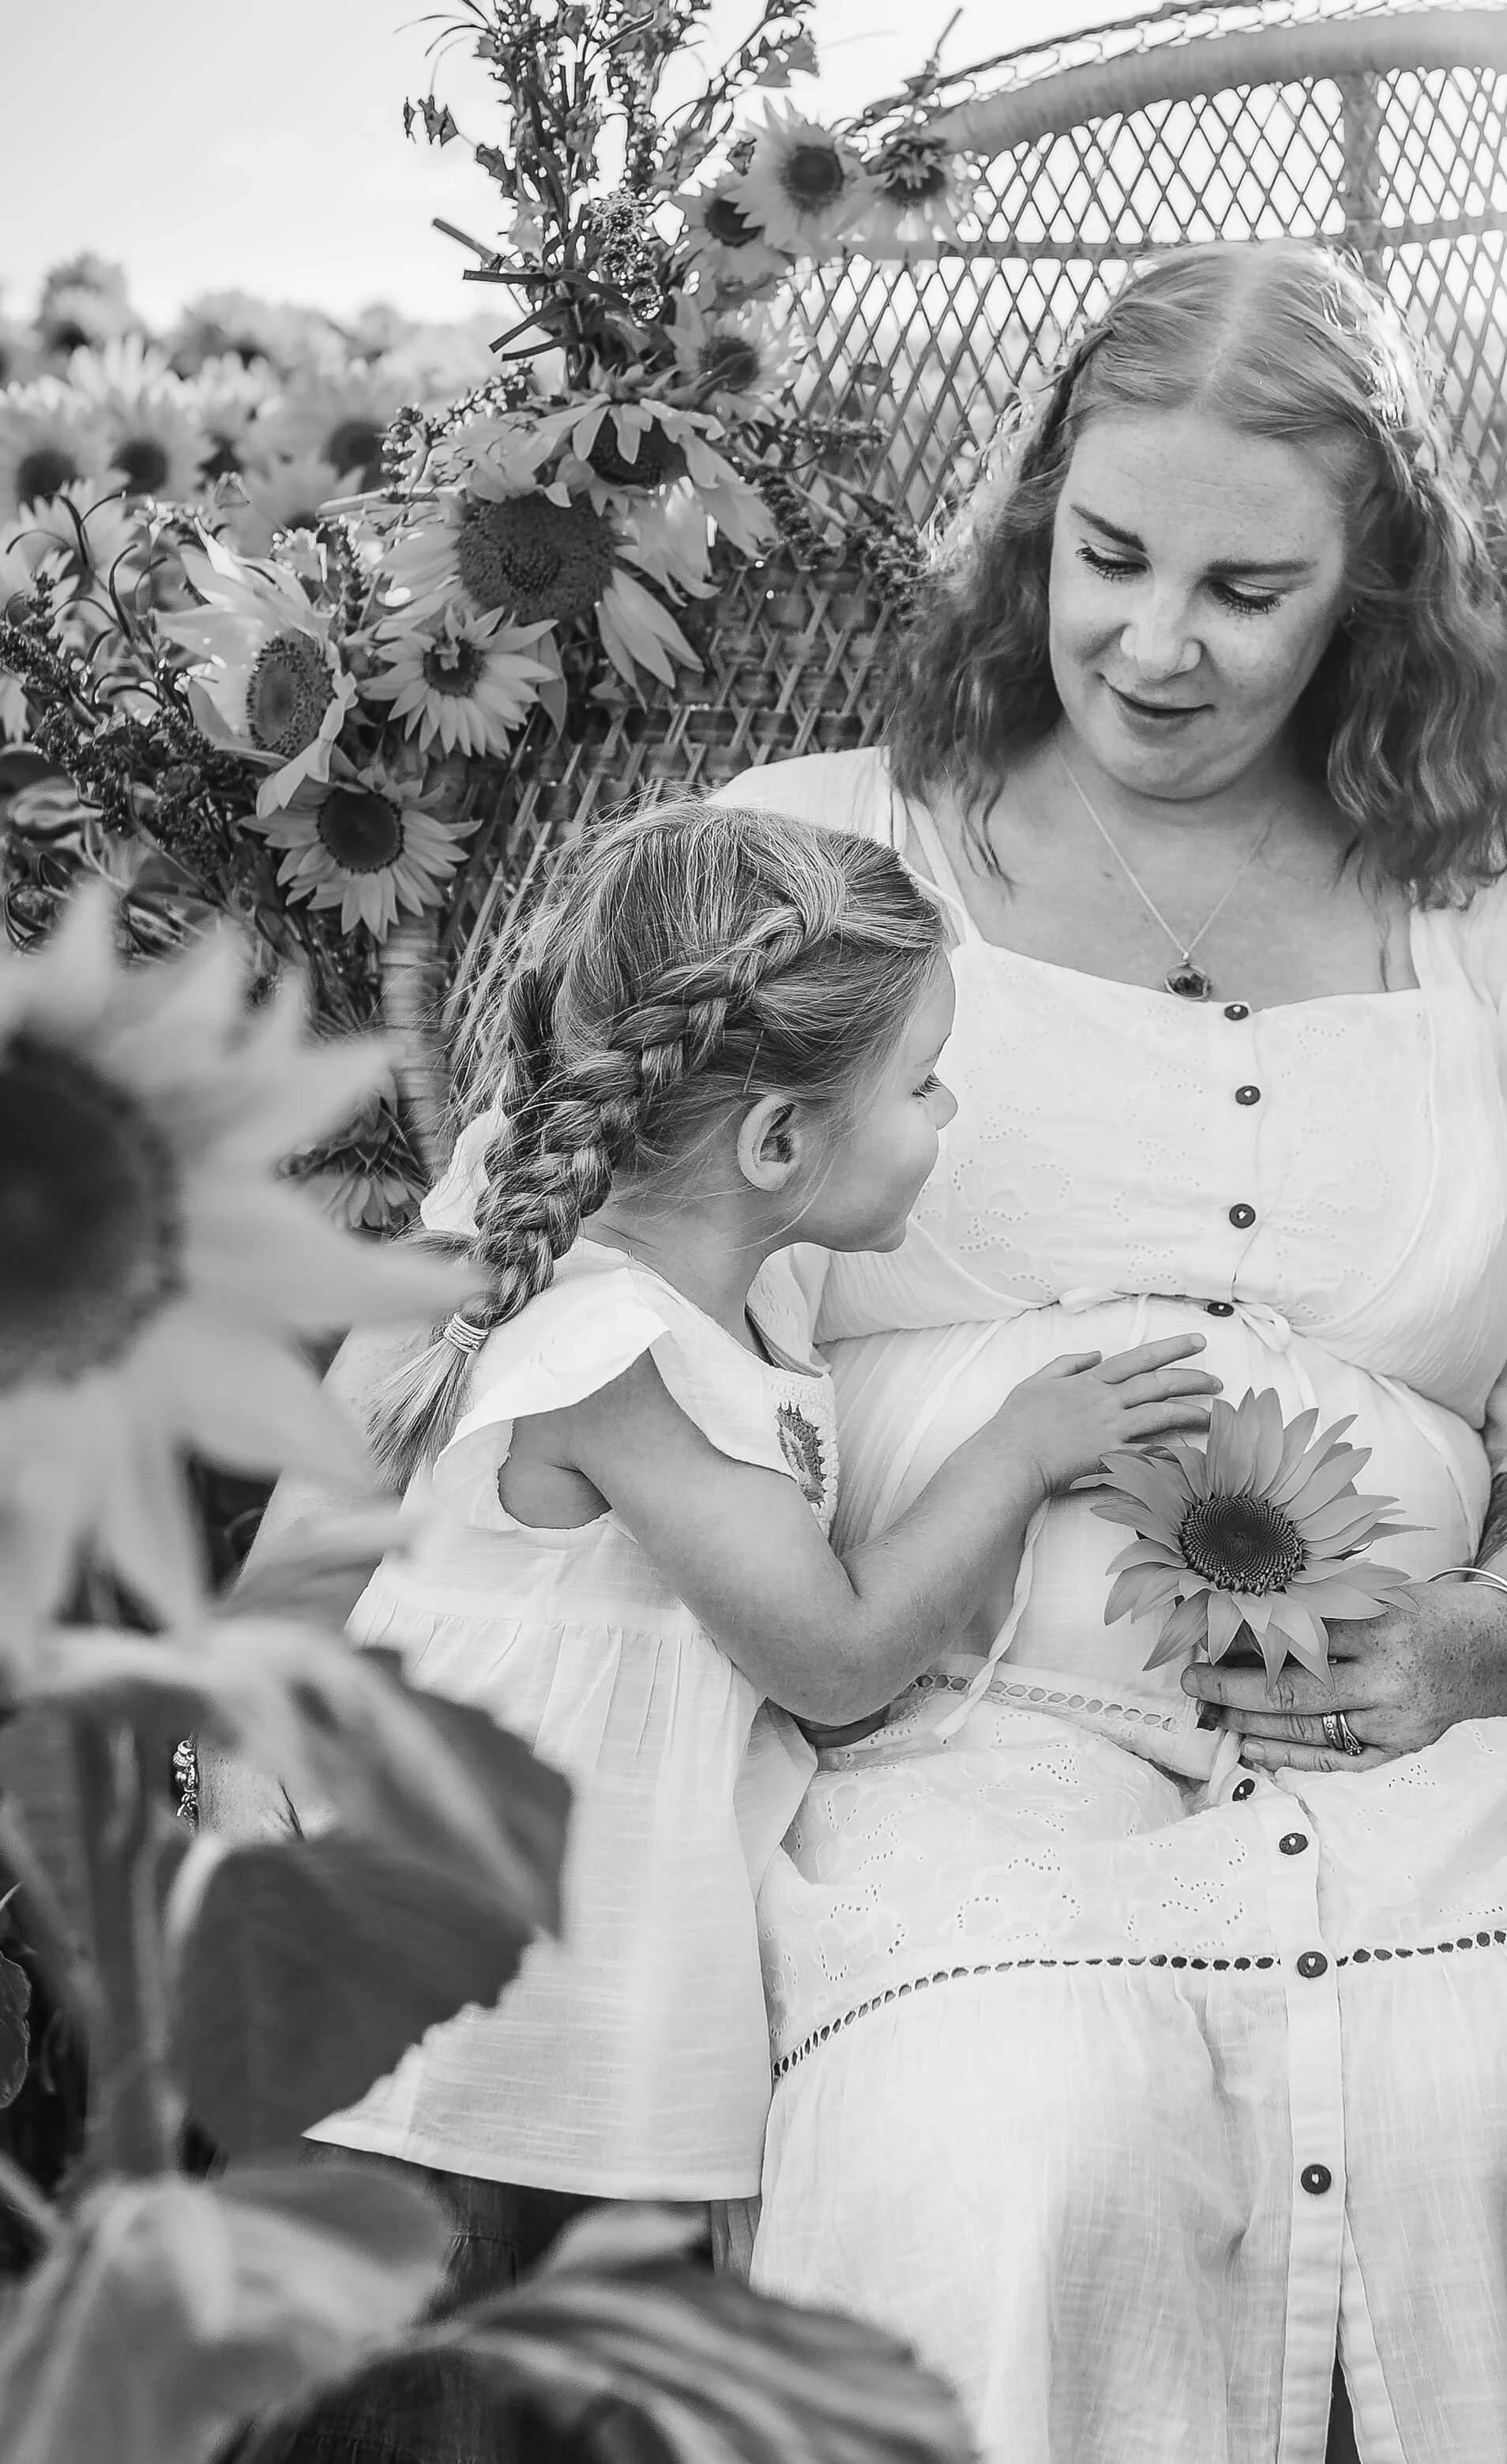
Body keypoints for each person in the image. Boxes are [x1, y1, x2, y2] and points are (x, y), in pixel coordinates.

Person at [714, 242, 1507, 2464]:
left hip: (1408, 1777)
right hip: (936, 1744)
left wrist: (1471, 1639)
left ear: (1369, 589)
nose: (1154, 644)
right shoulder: (815, 858)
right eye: (1108, 557)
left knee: (1487, 2087)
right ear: (1035, 526)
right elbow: (549, 1292)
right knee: (1015, 2122)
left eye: (1246, 589)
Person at [240, 798, 1217, 2464]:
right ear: (772, 1144)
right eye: (921, 1084)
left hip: (541, 2019)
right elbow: (832, 1661)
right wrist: (1018, 1449)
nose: (946, 1114)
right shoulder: (608, 1357)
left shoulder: (687, 1283)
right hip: (452, 2071)